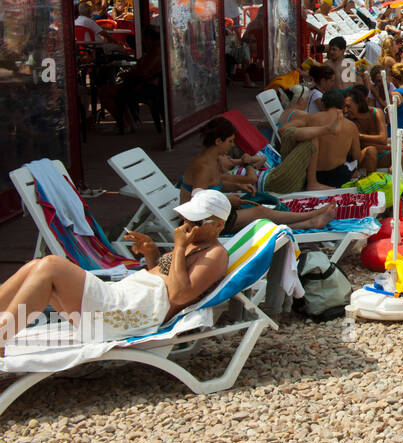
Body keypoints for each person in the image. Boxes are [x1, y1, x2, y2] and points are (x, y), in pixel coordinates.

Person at [1, 190, 231, 346]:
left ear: (218, 225)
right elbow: (164, 281)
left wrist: (179, 247)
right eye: (185, 219)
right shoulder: (193, 245)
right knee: (35, 266)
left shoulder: (215, 254)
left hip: (130, 313)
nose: (187, 226)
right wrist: (151, 253)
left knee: (51, 265)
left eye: (196, 222)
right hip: (124, 301)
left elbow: (179, 295)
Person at [179, 117, 338, 232]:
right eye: (230, 141)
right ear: (218, 141)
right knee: (261, 213)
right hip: (202, 223)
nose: (233, 145)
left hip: (215, 216)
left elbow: (214, 185)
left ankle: (310, 222)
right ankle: (312, 215)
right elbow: (198, 203)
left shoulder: (213, 160)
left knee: (262, 217)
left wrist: (238, 186)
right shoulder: (204, 166)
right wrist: (228, 199)